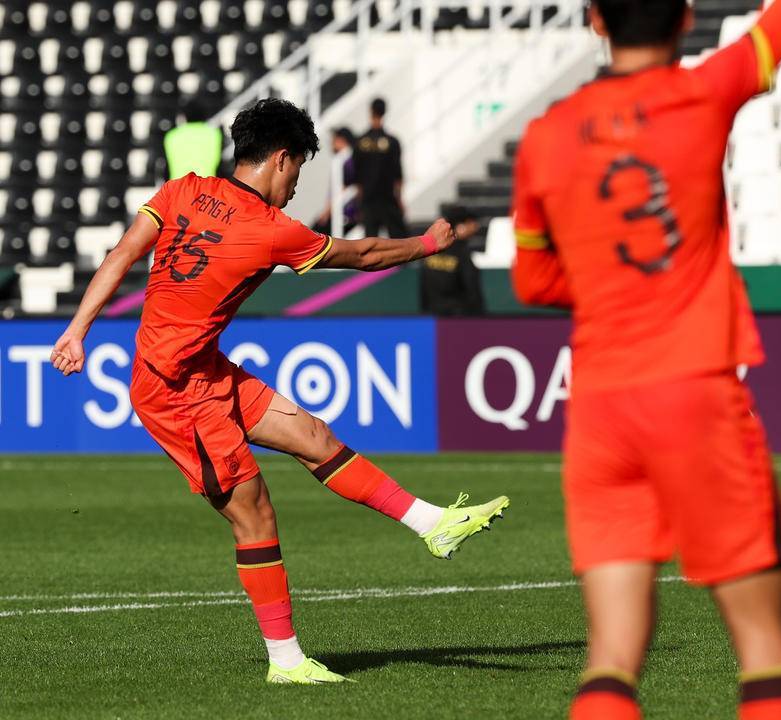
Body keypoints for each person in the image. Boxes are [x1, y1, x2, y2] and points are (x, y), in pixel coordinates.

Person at [49, 98, 510, 684]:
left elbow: (121, 254)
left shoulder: (183, 189)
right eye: (299, 171)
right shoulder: (271, 229)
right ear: (282, 158)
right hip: (175, 391)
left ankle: (431, 523)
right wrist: (425, 244)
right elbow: (364, 254)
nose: (295, 187)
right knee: (255, 516)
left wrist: (76, 330)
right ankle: (286, 662)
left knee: (313, 436)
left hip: (204, 369)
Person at [511, 0, 781, 718]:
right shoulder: (703, 93)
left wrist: (605, 283)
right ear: (686, 17)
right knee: (764, 651)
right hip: (693, 394)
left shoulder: (544, 136)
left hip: (601, 410)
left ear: (595, 20)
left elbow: (531, 280)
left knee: (609, 661)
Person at [420, 204, 486, 315]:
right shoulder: (462, 253)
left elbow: (423, 289)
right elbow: (472, 289)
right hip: (459, 317)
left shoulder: (432, 252)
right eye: (470, 222)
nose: (475, 226)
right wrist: (479, 316)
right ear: (460, 226)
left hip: (433, 315)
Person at [355, 97, 406, 238]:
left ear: (371, 111)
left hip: (368, 199)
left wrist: (360, 203)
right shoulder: (392, 142)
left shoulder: (360, 142)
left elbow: (357, 177)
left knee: (371, 240)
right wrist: (400, 200)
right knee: (398, 240)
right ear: (384, 112)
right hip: (388, 198)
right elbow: (398, 175)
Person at [313, 127, 360, 235]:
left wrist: (328, 211)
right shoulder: (343, 159)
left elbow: (344, 189)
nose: (331, 142)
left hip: (344, 213)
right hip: (338, 211)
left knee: (315, 234)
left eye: (334, 139)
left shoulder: (347, 160)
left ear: (342, 140)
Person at [164, 98, 223, 180]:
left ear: (184, 116)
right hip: (207, 185)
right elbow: (220, 166)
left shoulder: (172, 135)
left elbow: (166, 168)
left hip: (179, 185)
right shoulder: (214, 134)